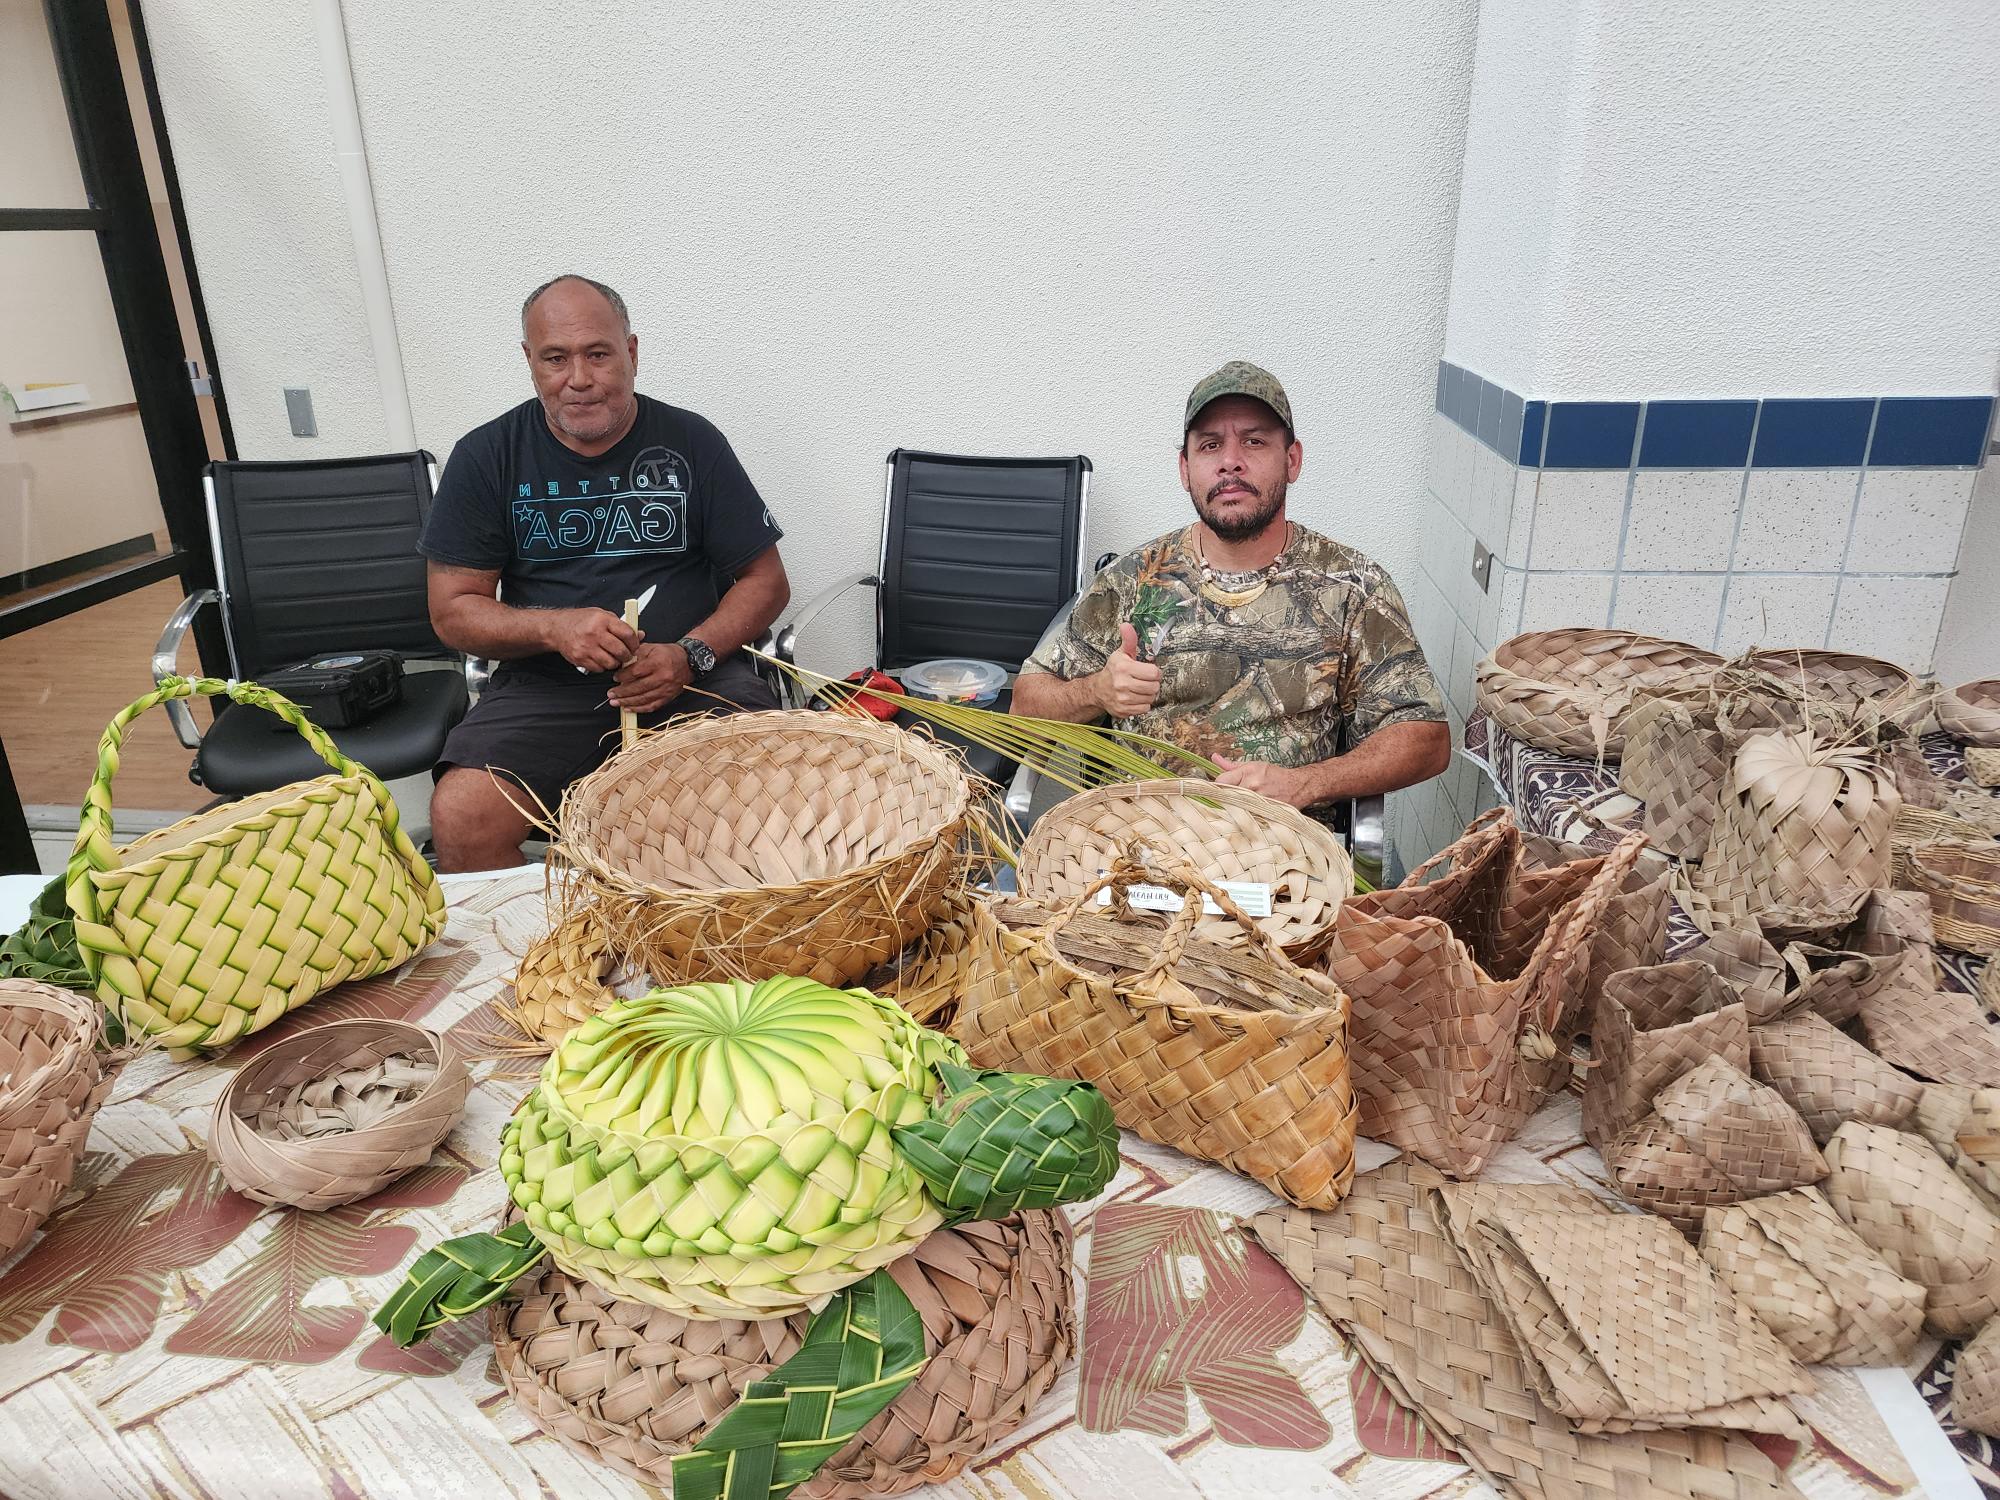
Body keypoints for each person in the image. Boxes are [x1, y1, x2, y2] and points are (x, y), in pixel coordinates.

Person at [420, 274, 790, 870]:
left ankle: (708, 951)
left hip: (694, 675)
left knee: (767, 806)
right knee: (462, 819)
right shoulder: (487, 456)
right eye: (555, 358)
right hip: (545, 687)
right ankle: (550, 954)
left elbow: (766, 581)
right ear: (529, 362)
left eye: (598, 354)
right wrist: (554, 628)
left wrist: (688, 654)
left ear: (632, 352)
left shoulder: (691, 442)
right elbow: (453, 610)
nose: (580, 379)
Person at [1012, 360, 1450, 815]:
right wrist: (1096, 691)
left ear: (1292, 459)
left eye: (1254, 441)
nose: (1230, 461)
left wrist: (1307, 783)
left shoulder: (1352, 588)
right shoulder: (1133, 580)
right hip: (1137, 854)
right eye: (1209, 445)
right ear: (1185, 469)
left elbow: (1426, 738)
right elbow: (1025, 707)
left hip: (1279, 858)